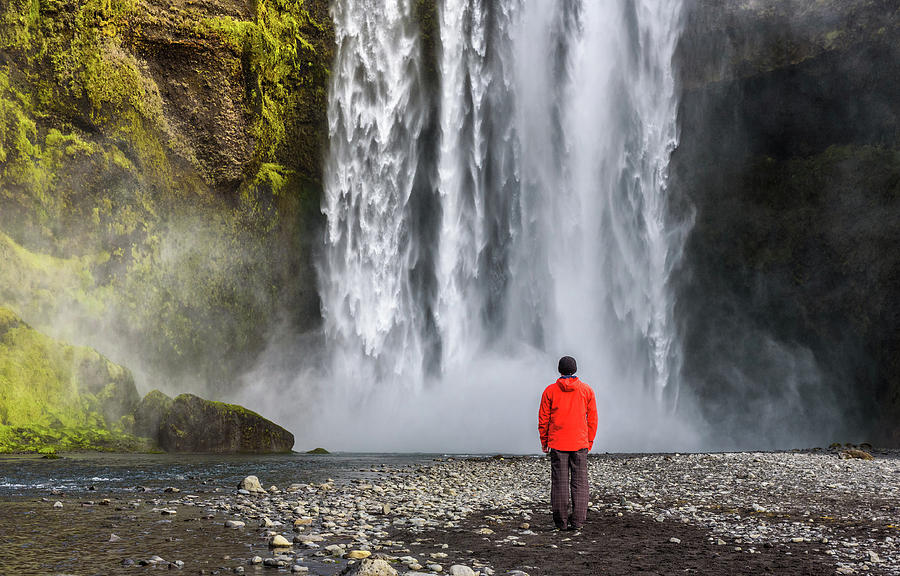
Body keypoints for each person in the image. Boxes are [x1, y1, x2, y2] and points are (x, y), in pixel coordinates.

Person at [538, 355, 598, 531]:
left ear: (559, 370)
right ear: (575, 370)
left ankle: (561, 522)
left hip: (557, 442)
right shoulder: (587, 390)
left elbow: (543, 419)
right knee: (580, 482)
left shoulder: (550, 391)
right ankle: (578, 521)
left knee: (559, 483)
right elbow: (592, 419)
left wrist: (544, 440)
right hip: (580, 442)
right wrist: (589, 440)